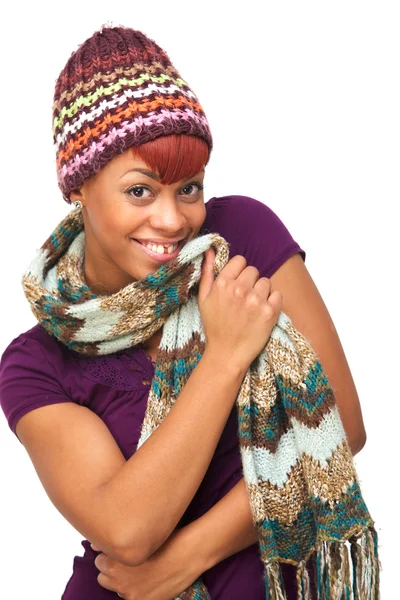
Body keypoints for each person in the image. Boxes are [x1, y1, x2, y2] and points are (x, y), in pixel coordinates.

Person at [0, 25, 367, 600]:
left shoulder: (241, 236)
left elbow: (341, 423)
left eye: (188, 188)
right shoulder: (36, 362)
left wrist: (185, 559)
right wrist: (224, 357)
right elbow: (128, 528)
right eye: (140, 190)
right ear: (78, 188)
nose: (172, 221)